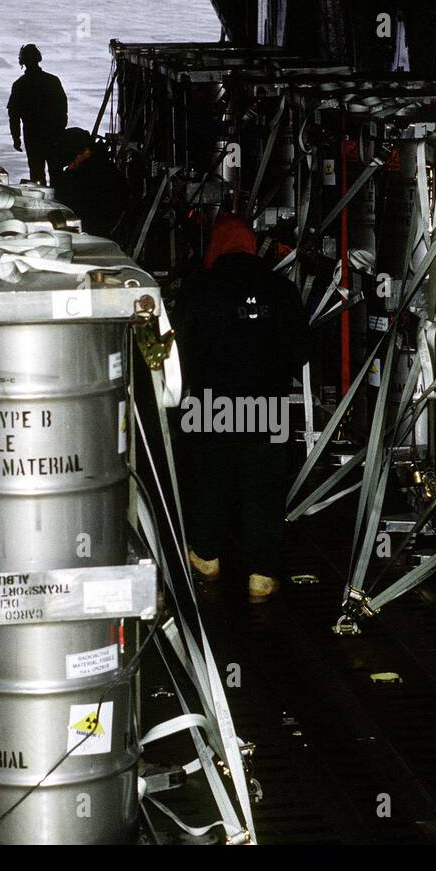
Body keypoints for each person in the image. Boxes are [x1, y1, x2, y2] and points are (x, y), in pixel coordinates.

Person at [172, 214, 309, 603]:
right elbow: (301, 351)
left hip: (211, 405)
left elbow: (177, 352)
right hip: (267, 407)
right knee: (264, 488)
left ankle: (207, 557)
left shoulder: (199, 288)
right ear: (250, 245)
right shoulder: (281, 289)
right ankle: (261, 575)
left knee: (209, 479)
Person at [50, 127, 129, 239]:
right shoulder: (99, 165)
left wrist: (66, 175)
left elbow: (63, 199)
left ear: (84, 151)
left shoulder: (93, 173)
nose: (71, 164)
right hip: (94, 226)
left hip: (94, 232)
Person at [7, 44, 67, 185]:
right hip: (54, 135)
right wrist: (60, 131)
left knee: (36, 173)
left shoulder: (20, 85)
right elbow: (63, 109)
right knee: (56, 172)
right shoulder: (52, 81)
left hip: (33, 135)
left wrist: (16, 138)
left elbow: (13, 115)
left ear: (22, 61)